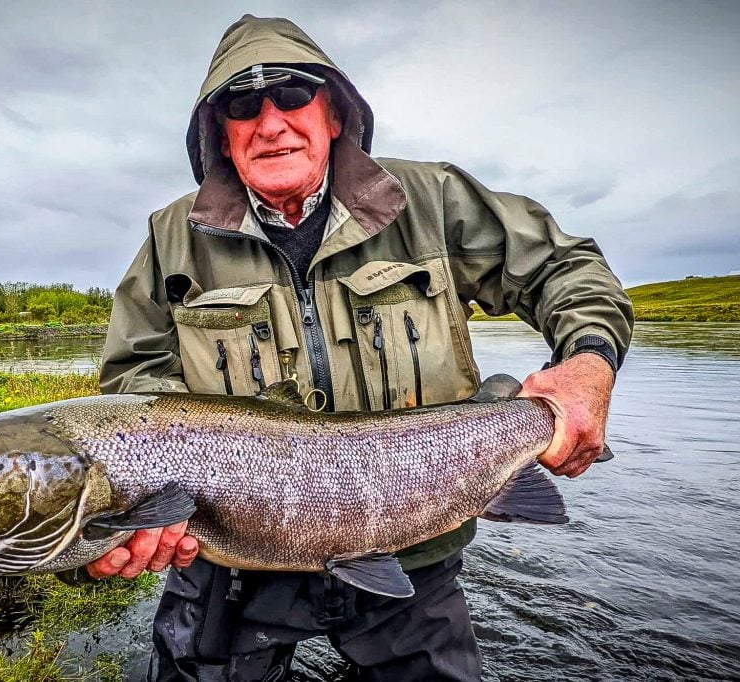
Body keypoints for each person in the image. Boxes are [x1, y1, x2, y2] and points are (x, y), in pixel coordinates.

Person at [85, 14, 633, 681]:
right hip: (232, 568)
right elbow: (134, 391)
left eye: (291, 94)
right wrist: (124, 517)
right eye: (241, 104)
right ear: (218, 134)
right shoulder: (172, 239)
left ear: (335, 114)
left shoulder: (428, 200)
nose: (270, 120)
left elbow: (563, 268)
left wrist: (587, 362)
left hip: (415, 546)